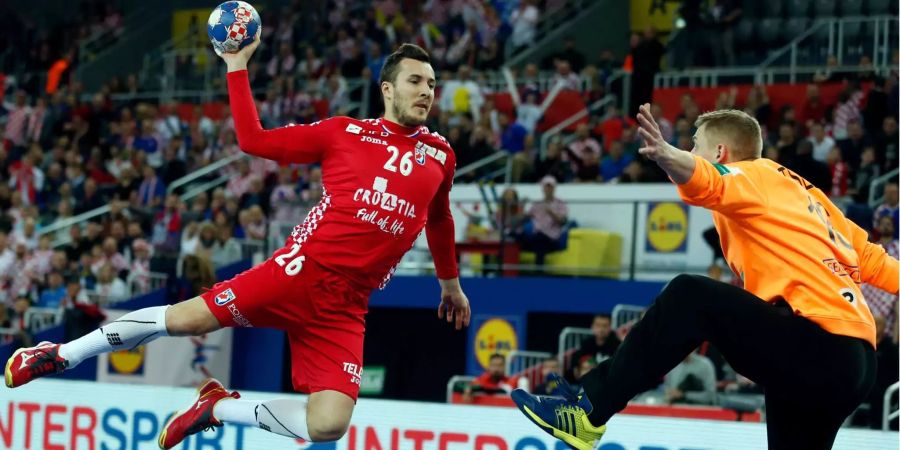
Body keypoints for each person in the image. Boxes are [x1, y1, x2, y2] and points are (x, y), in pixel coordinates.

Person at [5, 41, 472, 448]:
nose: (427, 91)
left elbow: (440, 218)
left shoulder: (441, 155)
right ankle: (57, 354)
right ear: (388, 89)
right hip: (298, 273)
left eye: (432, 83)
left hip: (346, 306)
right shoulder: (344, 132)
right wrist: (236, 64)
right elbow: (253, 140)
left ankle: (217, 409)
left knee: (328, 425)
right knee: (184, 320)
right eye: (416, 81)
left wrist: (450, 285)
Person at [512, 105, 898, 450]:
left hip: (817, 342)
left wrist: (667, 155)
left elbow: (708, 181)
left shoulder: (753, 174)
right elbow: (874, 260)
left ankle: (587, 413)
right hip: (855, 360)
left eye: (696, 145)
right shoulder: (810, 199)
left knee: (689, 295)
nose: (691, 151)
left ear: (720, 153)